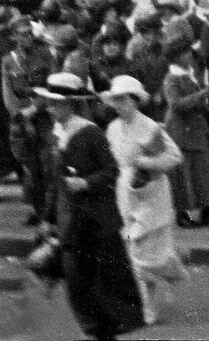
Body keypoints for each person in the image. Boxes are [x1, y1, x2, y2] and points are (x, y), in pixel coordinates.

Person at [37, 71, 145, 341]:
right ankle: (96, 331)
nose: (49, 108)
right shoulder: (55, 135)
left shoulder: (91, 133)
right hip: (69, 221)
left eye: (55, 103)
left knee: (100, 285)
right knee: (76, 284)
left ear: (69, 105)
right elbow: (53, 182)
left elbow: (111, 171)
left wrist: (86, 183)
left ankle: (103, 332)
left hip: (95, 222)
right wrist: (47, 218)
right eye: (49, 103)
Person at [104, 74, 188, 324]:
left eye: (123, 99)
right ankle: (152, 298)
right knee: (134, 253)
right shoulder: (113, 128)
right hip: (126, 197)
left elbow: (174, 157)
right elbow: (113, 161)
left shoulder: (150, 128)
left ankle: (162, 280)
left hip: (151, 197)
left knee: (143, 257)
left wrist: (143, 163)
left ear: (135, 101)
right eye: (115, 100)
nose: (119, 105)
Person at [162, 23, 209, 228]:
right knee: (186, 172)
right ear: (176, 56)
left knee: (204, 168)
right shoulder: (171, 79)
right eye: (185, 52)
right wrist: (201, 95)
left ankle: (206, 208)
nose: (189, 55)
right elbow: (176, 105)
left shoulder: (189, 72)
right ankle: (183, 212)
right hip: (181, 129)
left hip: (196, 127)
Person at [2, 16, 52, 225]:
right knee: (29, 167)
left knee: (47, 164)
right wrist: (19, 114)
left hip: (43, 116)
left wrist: (35, 108)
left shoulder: (44, 56)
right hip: (21, 120)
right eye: (23, 34)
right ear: (14, 37)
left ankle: (49, 213)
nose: (28, 38)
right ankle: (36, 209)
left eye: (30, 33)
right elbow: (7, 93)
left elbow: (50, 87)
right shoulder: (7, 61)